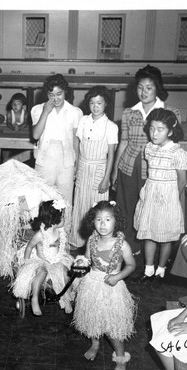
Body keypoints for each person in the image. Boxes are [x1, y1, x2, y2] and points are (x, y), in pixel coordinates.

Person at [111, 65, 181, 255]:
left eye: (149, 88)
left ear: (158, 88)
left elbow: (173, 146)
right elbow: (124, 142)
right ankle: (129, 249)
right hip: (129, 166)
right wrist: (115, 171)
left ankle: (150, 251)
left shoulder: (170, 112)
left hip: (155, 169)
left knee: (151, 210)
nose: (144, 92)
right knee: (126, 207)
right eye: (140, 87)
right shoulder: (128, 112)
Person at [72, 201, 136, 370]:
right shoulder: (91, 240)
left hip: (112, 287)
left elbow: (131, 265)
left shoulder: (122, 244)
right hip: (92, 283)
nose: (102, 224)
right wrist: (80, 263)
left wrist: (118, 276)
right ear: (92, 222)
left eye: (107, 219)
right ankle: (95, 343)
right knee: (92, 317)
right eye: (98, 220)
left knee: (113, 326)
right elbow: (86, 259)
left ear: (116, 221)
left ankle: (121, 357)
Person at [134, 109, 187, 282]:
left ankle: (161, 270)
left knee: (165, 237)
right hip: (151, 193)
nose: (154, 133)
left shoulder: (177, 153)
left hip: (168, 197)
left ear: (171, 131)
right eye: (152, 128)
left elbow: (182, 181)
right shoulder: (149, 148)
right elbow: (150, 173)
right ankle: (149, 269)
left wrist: (172, 200)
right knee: (149, 233)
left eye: (160, 129)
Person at [70, 86, 118, 249]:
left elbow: (111, 155)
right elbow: (77, 144)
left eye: (99, 103)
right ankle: (77, 241)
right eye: (92, 103)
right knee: (81, 203)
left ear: (106, 105)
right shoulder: (83, 120)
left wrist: (106, 178)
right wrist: (76, 165)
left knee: (97, 208)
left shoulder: (111, 126)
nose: (95, 106)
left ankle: (98, 244)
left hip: (99, 169)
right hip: (83, 167)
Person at [12, 199, 74, 316]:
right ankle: (34, 298)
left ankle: (67, 298)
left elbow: (59, 245)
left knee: (67, 274)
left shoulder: (59, 231)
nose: (64, 219)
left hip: (56, 260)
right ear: (53, 220)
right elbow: (30, 247)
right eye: (62, 217)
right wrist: (26, 261)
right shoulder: (40, 235)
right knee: (42, 272)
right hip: (41, 261)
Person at [31, 74, 83, 205]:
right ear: (46, 94)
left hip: (66, 161)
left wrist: (77, 163)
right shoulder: (37, 109)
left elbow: (75, 142)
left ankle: (64, 225)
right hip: (45, 159)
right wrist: (45, 112)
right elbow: (36, 135)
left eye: (59, 94)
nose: (55, 98)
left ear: (65, 91)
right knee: (43, 197)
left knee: (64, 199)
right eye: (51, 95)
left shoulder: (75, 112)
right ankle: (43, 225)